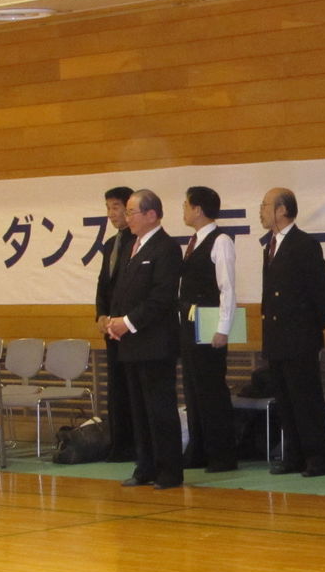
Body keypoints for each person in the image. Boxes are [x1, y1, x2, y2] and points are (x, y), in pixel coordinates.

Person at [105, 189, 184, 489]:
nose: (127, 218)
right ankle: (145, 466)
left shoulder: (166, 248)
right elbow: (122, 290)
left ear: (151, 215)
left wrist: (127, 322)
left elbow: (161, 298)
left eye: (131, 212)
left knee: (160, 409)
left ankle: (169, 471)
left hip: (156, 343)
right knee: (138, 410)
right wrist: (113, 321)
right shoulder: (131, 246)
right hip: (131, 344)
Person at [259, 187, 325, 477]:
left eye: (266, 205)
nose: (261, 210)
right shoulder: (270, 245)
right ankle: (294, 455)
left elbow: (323, 293)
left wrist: (310, 328)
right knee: (285, 401)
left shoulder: (304, 244)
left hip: (299, 338)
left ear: (282, 210)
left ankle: (318, 458)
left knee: (306, 401)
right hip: (277, 337)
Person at [179, 186, 238, 472]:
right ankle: (199, 450)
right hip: (190, 324)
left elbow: (227, 288)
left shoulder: (221, 240)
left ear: (198, 209)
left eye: (186, 205)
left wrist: (223, 328)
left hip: (210, 324)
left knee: (211, 389)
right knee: (193, 389)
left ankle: (222, 454)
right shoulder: (193, 242)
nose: (183, 210)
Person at [94, 185, 135, 460]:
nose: (111, 213)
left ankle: (134, 444)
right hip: (111, 328)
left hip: (131, 328)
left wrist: (122, 319)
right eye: (108, 208)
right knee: (115, 387)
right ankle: (118, 443)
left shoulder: (138, 241)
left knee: (132, 389)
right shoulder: (111, 244)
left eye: (116, 207)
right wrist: (101, 314)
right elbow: (104, 284)